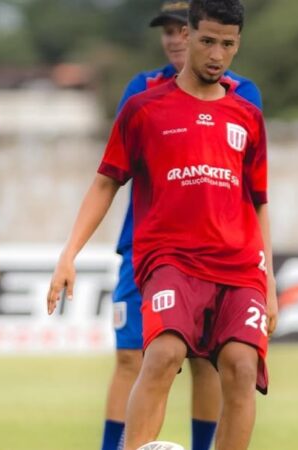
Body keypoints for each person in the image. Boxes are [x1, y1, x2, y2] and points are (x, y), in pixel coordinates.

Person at [48, 1, 276, 449]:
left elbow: (259, 202)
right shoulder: (144, 109)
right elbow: (104, 184)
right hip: (171, 258)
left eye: (227, 44)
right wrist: (68, 255)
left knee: (242, 368)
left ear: (238, 45)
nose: (216, 54)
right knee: (164, 353)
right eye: (207, 41)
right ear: (187, 36)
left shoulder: (247, 116)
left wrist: (268, 280)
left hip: (238, 265)